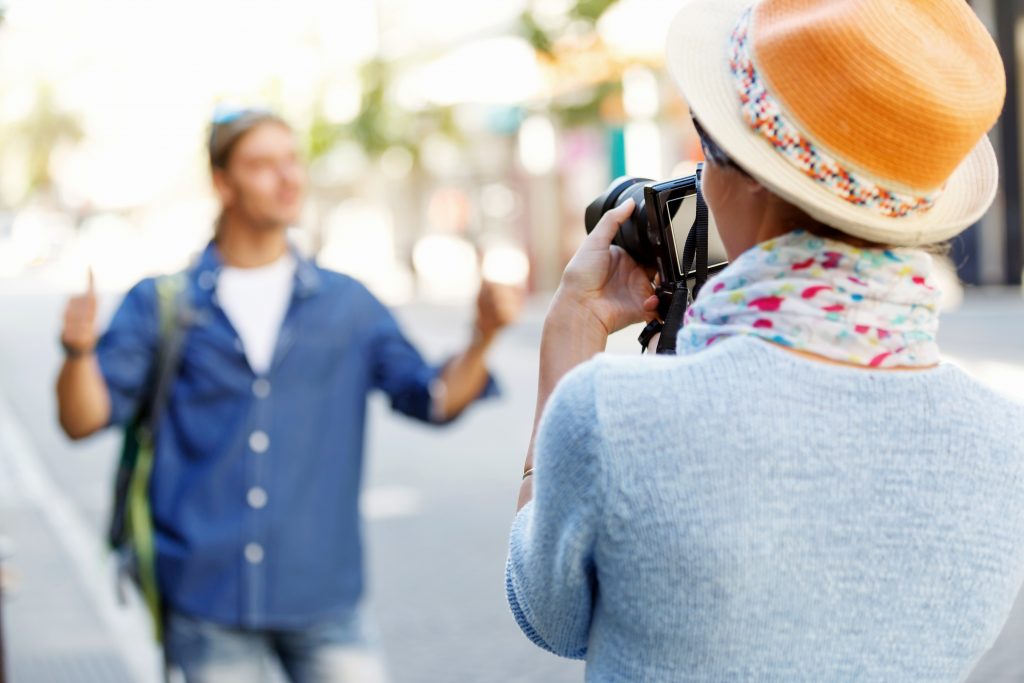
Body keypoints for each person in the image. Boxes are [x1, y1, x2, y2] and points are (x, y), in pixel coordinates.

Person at [506, 0, 1024, 680]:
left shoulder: (612, 413)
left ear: (742, 176)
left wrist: (568, 345)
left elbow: (548, 611)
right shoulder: (1004, 446)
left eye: (705, 142)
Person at [57, 108, 522, 683]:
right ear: (222, 183)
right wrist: (78, 352)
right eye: (261, 164)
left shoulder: (347, 304)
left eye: (291, 160)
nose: (287, 177)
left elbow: (433, 400)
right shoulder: (163, 303)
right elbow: (83, 421)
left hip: (324, 597)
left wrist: (483, 338)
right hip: (207, 600)